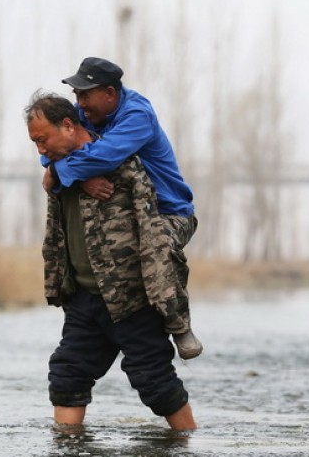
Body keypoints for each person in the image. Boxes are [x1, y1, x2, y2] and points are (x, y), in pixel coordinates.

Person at [25, 91, 197, 430]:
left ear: (69, 126)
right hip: (84, 300)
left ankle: (188, 452)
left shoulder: (123, 165)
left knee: (156, 384)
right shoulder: (59, 172)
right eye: (35, 142)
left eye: (43, 140)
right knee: (66, 378)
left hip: (131, 299)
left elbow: (152, 234)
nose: (40, 150)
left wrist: (166, 301)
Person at [41, 56, 202, 360]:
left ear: (110, 93)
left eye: (85, 94)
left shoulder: (137, 115)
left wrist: (66, 173)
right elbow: (54, 148)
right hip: (129, 214)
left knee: (158, 246)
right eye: (76, 95)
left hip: (169, 212)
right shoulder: (84, 114)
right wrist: (77, 177)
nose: (79, 102)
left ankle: (179, 324)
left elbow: (104, 156)